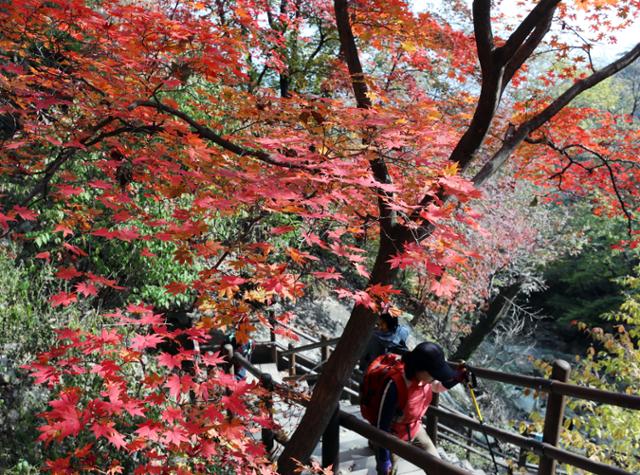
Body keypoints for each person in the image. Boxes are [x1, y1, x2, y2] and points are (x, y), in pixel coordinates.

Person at [373, 342, 466, 475]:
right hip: (393, 435)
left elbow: (437, 387)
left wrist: (458, 377)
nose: (435, 377)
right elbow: (382, 427)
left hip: (414, 427)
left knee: (436, 465)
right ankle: (374, 446)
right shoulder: (395, 385)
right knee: (389, 471)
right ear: (419, 369)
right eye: (433, 373)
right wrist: (383, 459)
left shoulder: (425, 379)